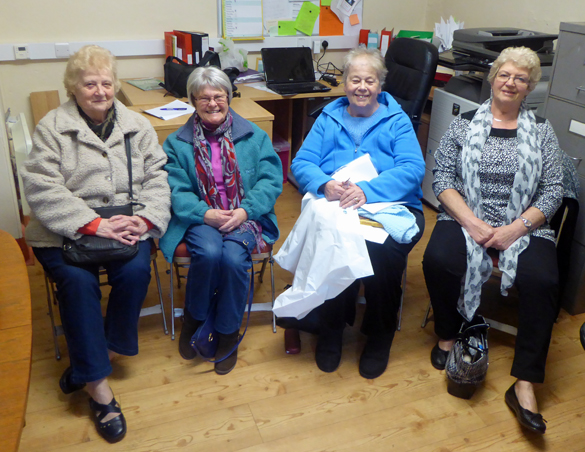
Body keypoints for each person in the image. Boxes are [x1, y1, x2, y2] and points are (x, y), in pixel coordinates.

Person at [21, 45, 171, 443]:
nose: (100, 91)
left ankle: (97, 358)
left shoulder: (137, 126)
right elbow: (40, 188)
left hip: (126, 228)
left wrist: (143, 220)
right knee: (78, 284)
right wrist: (92, 224)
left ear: (115, 85)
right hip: (64, 232)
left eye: (107, 83)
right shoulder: (52, 128)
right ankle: (99, 391)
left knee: (137, 269)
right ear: (74, 87)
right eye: (90, 83)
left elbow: (158, 178)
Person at [422, 47, 563, 434]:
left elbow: (553, 191)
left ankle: (525, 384)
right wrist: (472, 222)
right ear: (493, 77)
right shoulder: (465, 124)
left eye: (520, 78)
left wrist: (515, 228)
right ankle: (449, 334)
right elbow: (443, 179)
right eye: (505, 75)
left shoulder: (543, 131)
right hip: (468, 216)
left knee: (544, 280)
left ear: (529, 86)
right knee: (437, 260)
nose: (510, 82)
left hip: (524, 224)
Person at [290, 47, 425, 379]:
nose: (362, 87)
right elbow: (301, 163)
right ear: (345, 83)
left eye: (370, 80)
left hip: (390, 205)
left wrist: (369, 190)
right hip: (338, 205)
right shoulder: (329, 118)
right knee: (334, 244)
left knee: (384, 253)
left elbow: (413, 169)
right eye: (355, 79)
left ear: (380, 85)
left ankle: (379, 336)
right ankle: (331, 328)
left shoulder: (398, 121)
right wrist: (324, 185)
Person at [159, 66, 282, 375]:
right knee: (211, 252)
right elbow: (176, 189)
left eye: (219, 96)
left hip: (246, 217)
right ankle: (195, 319)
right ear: (192, 101)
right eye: (204, 98)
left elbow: (270, 182)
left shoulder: (255, 136)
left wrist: (245, 211)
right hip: (199, 218)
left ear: (229, 97)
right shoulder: (176, 143)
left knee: (231, 257)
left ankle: (227, 332)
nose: (212, 103)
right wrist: (206, 213)